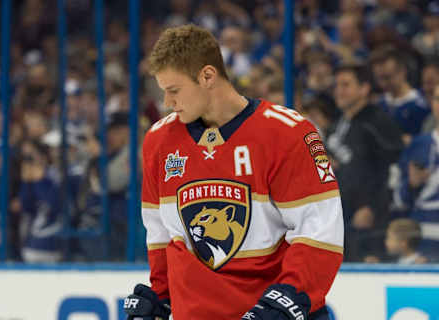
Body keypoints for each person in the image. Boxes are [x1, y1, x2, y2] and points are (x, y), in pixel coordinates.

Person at [124, 24, 344, 320]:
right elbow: (161, 236)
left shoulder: (288, 133)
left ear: (207, 76)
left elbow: (321, 235)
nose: (167, 103)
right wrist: (161, 296)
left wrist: (288, 302)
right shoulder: (159, 141)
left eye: (174, 91)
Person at [326, 64, 404, 262]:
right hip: (340, 215)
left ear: (364, 88)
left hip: (369, 219)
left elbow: (391, 168)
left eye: (346, 85)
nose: (339, 91)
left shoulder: (377, 122)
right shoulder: (338, 123)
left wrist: (370, 206)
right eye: (337, 85)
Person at [392, 83, 439, 262]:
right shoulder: (417, 145)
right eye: (437, 99)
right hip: (422, 242)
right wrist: (411, 184)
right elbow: (399, 200)